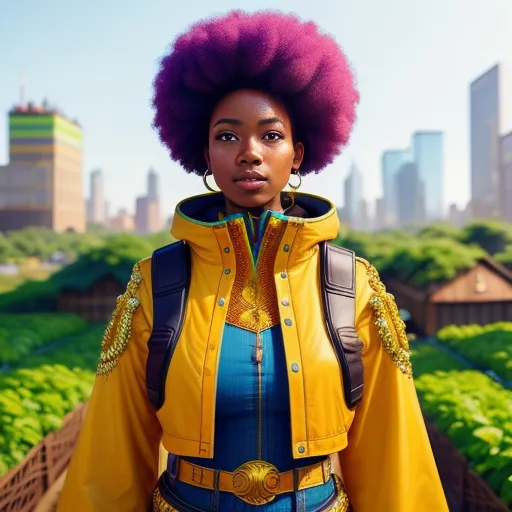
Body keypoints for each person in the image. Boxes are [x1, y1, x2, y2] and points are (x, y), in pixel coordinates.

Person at [58, 10, 449, 512]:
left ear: (299, 152)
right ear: (204, 153)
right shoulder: (157, 284)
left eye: (270, 135)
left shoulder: (352, 285)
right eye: (227, 136)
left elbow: (394, 457)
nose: (249, 153)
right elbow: (108, 461)